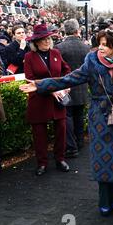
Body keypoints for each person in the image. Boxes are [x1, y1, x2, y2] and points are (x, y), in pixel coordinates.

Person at [20, 28, 113, 216]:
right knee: (103, 159)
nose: (100, 48)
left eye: (105, 45)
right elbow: (68, 79)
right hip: (100, 116)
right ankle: (104, 201)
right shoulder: (92, 62)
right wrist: (40, 84)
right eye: (99, 44)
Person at [23, 24, 71, 176]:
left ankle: (60, 159)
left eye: (49, 38)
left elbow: (66, 70)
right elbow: (29, 79)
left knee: (61, 129)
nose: (47, 41)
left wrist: (66, 85)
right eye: (43, 39)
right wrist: (52, 89)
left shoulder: (56, 53)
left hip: (58, 100)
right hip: (39, 100)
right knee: (39, 134)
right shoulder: (29, 57)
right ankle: (42, 163)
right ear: (35, 42)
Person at [55, 19, 90, 158]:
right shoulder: (86, 47)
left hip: (66, 86)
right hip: (81, 87)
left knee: (67, 116)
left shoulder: (59, 48)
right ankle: (80, 142)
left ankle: (71, 145)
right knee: (79, 116)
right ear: (77, 30)